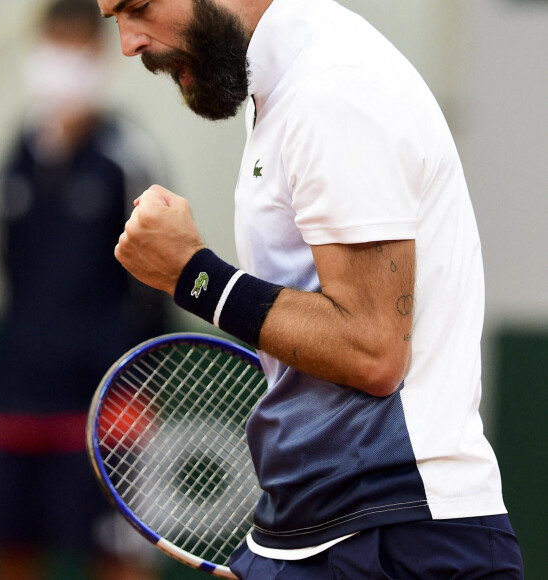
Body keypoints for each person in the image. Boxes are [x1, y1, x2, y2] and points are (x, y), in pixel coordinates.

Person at [97, 0, 525, 577]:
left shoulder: (333, 90)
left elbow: (372, 349)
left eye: (139, 7)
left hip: (397, 536)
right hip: (322, 530)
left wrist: (193, 275)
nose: (128, 43)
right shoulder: (285, 86)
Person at [0, 0, 174, 578]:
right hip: (19, 390)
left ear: (99, 55)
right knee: (8, 548)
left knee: (114, 554)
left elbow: (155, 283)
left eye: (75, 49)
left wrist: (137, 389)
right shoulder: (14, 159)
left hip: (104, 399)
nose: (60, 65)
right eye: (51, 47)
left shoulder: (127, 157)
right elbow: (9, 272)